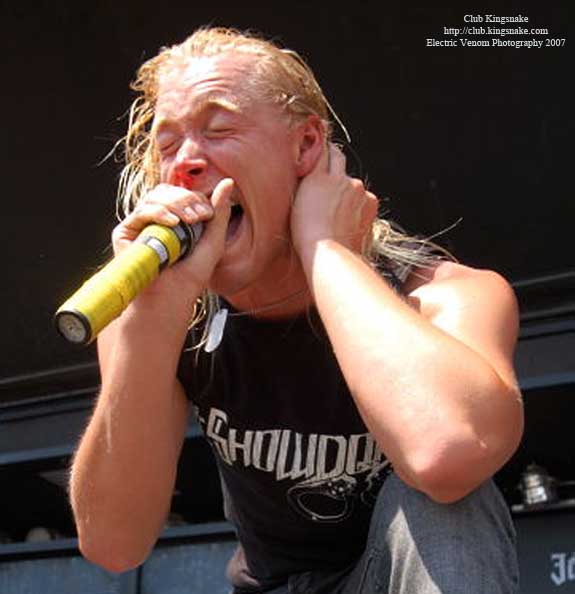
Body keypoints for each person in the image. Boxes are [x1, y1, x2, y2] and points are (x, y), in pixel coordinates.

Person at [69, 27, 524, 593]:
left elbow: (449, 454)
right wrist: (151, 318)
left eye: (220, 130)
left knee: (446, 506)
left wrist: (324, 248)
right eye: (167, 146)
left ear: (308, 146)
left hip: (404, 572)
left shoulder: (443, 293)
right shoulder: (160, 311)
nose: (185, 163)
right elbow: (114, 543)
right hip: (274, 585)